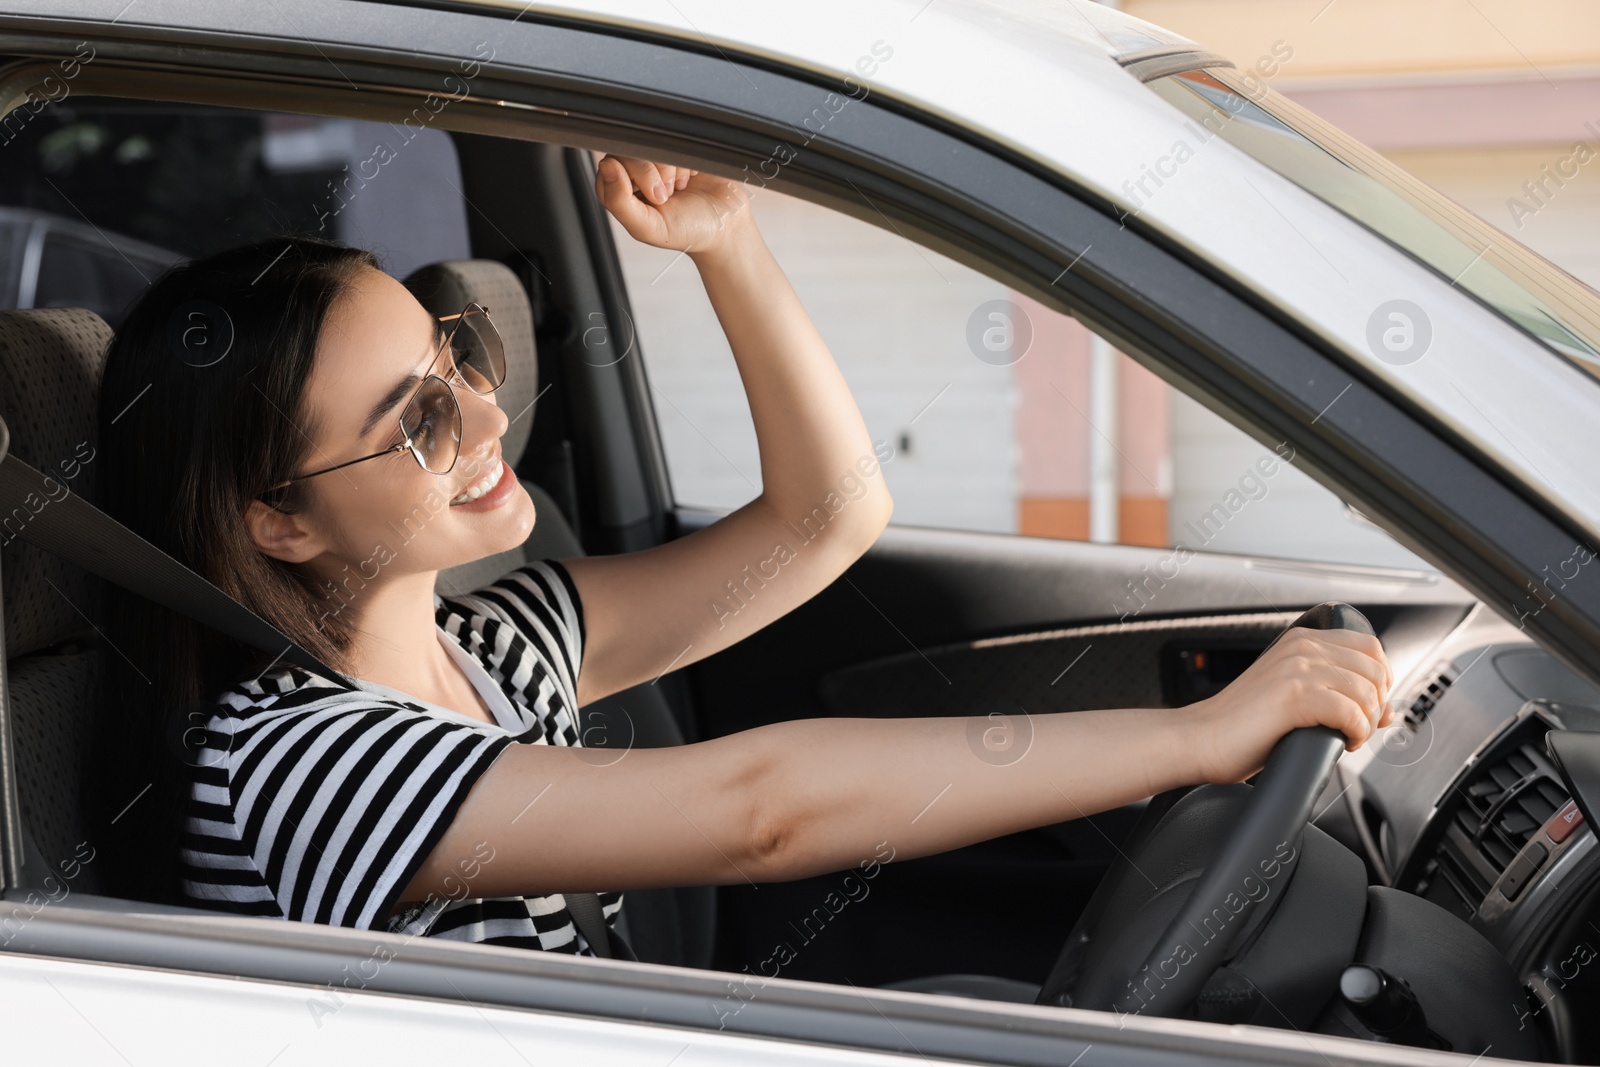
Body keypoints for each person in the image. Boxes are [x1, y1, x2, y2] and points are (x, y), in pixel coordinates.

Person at [87, 153, 1394, 958]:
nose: (489, 414)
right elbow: (759, 813)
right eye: (420, 419)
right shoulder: (288, 762)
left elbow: (825, 519)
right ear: (280, 519)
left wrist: (727, 243)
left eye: (457, 359)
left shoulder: (489, 653)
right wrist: (1201, 736)